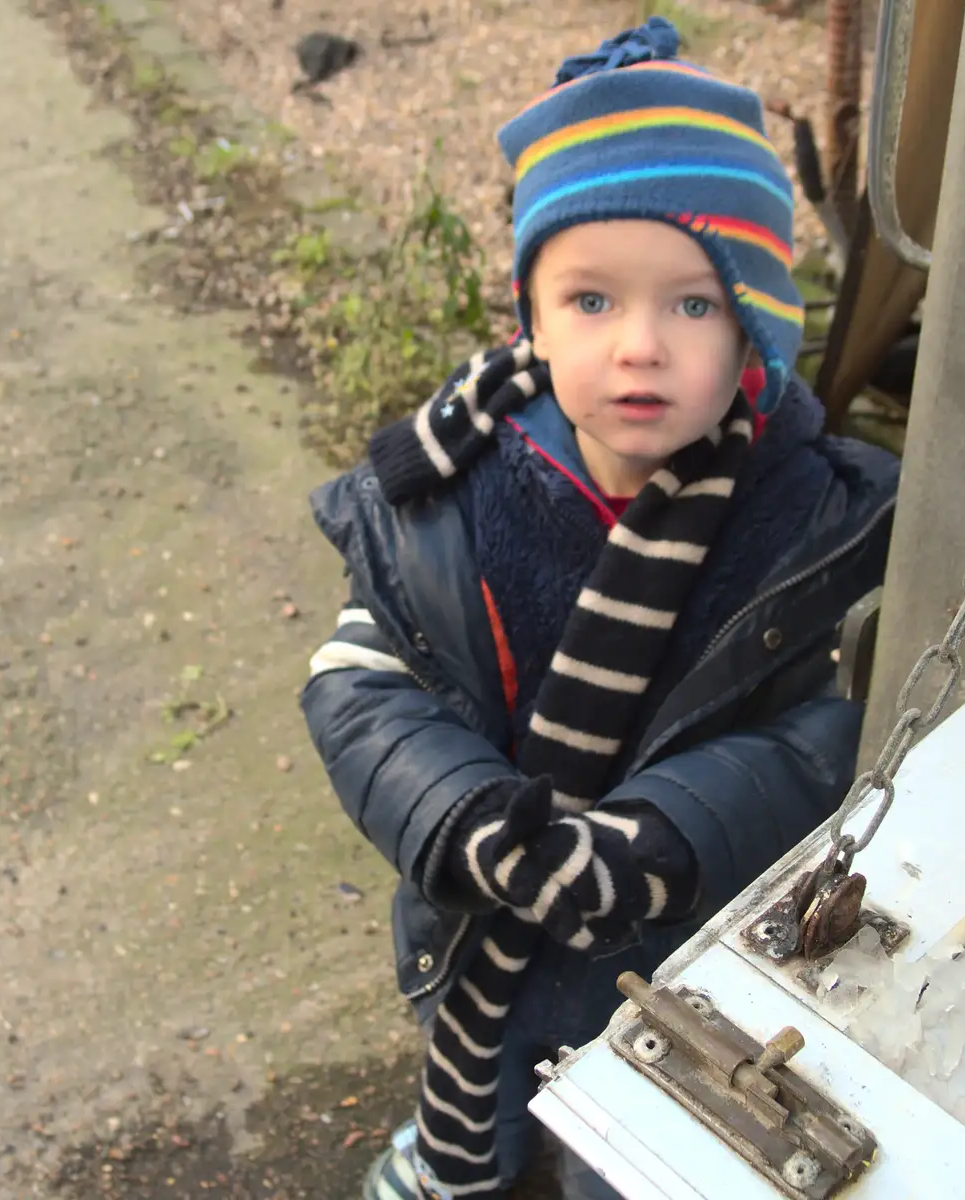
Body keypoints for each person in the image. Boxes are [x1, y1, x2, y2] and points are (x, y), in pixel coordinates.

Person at [301, 16, 898, 1199]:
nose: (638, 348)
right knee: (484, 1059)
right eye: (589, 301)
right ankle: (461, 1150)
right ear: (530, 311)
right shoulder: (459, 491)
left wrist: (667, 833)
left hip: (670, 928)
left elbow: (831, 724)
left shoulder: (806, 518)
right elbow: (361, 678)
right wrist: (459, 812)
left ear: (754, 327)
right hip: (485, 902)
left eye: (690, 305)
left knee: (634, 1124)